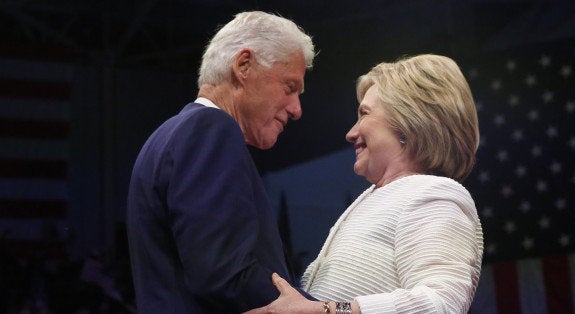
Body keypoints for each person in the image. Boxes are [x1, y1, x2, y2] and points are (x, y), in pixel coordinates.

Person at [246, 54, 484, 314]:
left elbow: (441, 305)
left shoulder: (435, 195)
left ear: (408, 123)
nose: (351, 133)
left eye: (364, 114)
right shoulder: (381, 198)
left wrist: (326, 310)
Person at [126, 11, 315, 313]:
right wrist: (327, 309)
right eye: (289, 87)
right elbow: (224, 274)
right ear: (244, 66)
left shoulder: (171, 134)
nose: (296, 109)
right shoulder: (210, 129)